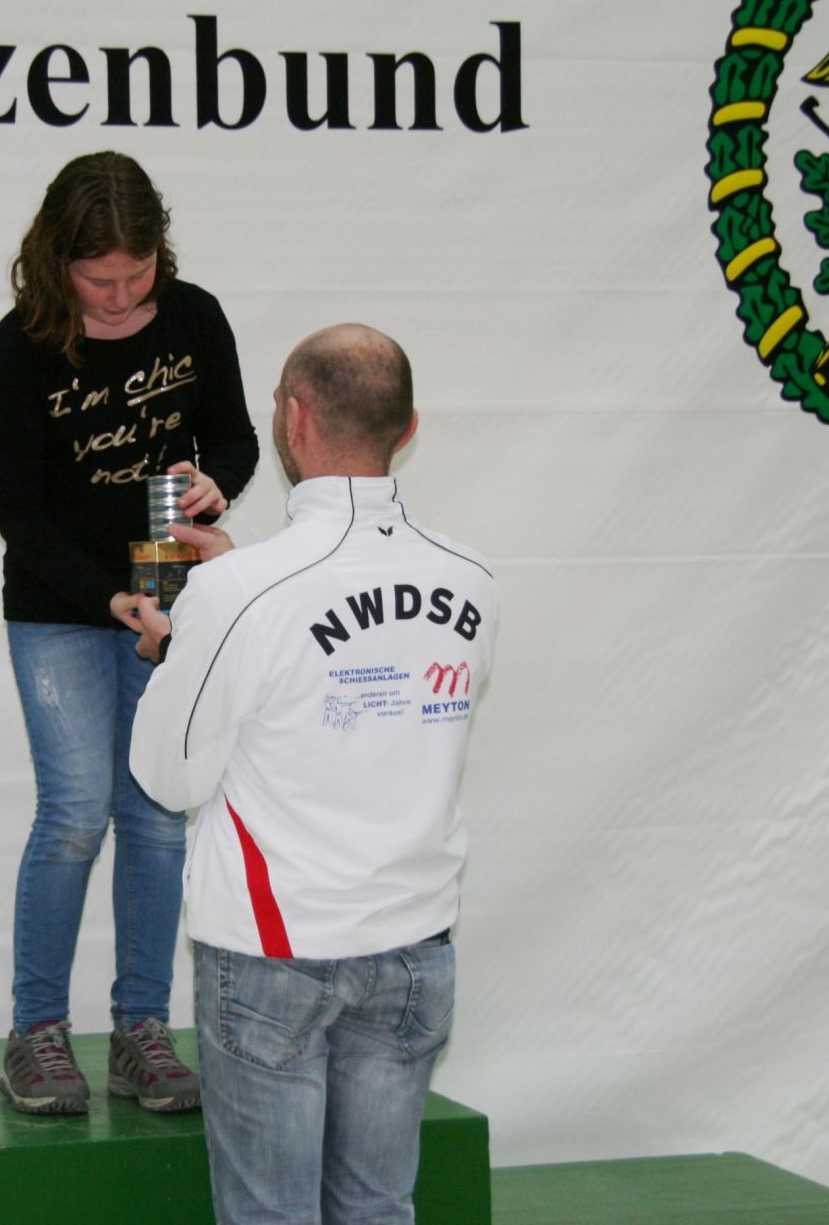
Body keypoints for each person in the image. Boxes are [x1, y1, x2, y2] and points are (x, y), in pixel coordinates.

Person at [127, 324, 497, 1222]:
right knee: (379, 1208)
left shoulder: (238, 594)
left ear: (293, 419)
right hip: (415, 943)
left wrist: (178, 648)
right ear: (408, 427)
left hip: (276, 953)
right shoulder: (473, 578)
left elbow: (168, 777)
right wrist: (221, 609)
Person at [0, 151, 259, 1116]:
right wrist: (106, 599)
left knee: (156, 813)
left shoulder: (195, 317)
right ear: (57, 261)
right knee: (73, 813)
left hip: (168, 597)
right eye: (99, 279)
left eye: (136, 274)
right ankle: (36, 1033)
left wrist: (219, 481)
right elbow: (15, 509)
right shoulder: (20, 348)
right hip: (59, 608)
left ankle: (142, 1029)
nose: (121, 295)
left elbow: (235, 439)